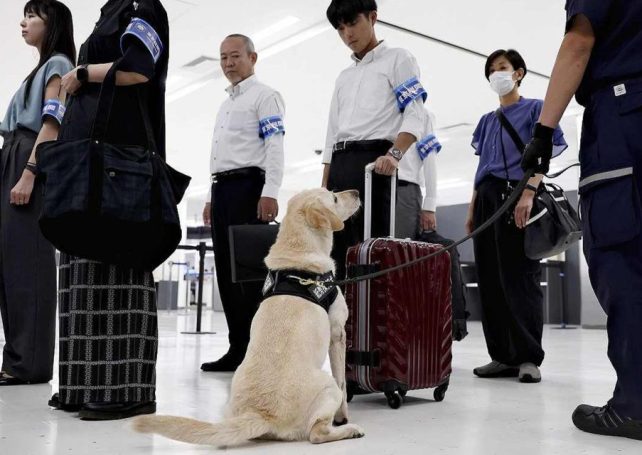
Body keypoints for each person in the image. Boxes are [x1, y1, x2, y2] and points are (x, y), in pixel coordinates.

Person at [521, 1, 642, 440]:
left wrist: (543, 132)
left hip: (624, 119)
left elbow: (579, 42)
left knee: (622, 256)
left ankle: (634, 405)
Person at [49, 0, 169, 420]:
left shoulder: (144, 6)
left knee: (118, 270)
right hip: (92, 161)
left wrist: (81, 74)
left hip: (123, 161)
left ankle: (127, 389)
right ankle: (82, 383)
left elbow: (137, 68)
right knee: (85, 270)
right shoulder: (110, 10)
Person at [466, 49, 567, 384]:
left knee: (520, 277)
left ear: (519, 73)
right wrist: (472, 209)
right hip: (487, 200)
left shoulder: (536, 109)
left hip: (518, 192)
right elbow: (482, 169)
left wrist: (528, 193)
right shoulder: (485, 121)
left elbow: (545, 153)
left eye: (503, 68)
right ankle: (502, 356)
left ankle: (527, 357)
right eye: (492, 69)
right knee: (491, 279)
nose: (497, 74)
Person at [323, 0, 428, 281]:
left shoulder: (398, 58)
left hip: (374, 163)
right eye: (341, 28)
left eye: (353, 23)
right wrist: (325, 183)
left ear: (372, 18)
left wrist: (394, 155)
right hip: (341, 162)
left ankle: (372, 320)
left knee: (371, 249)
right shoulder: (344, 77)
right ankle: (342, 322)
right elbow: (332, 133)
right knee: (338, 249)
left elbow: (415, 112)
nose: (347, 34)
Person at [0, 0, 75, 386]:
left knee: (27, 261)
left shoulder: (58, 65)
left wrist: (29, 172)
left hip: (29, 158)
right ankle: (16, 358)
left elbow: (52, 125)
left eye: (32, 15)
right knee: (10, 262)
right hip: (12, 154)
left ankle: (29, 364)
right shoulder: (40, 68)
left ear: (54, 22)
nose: (24, 22)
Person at [201, 34, 285, 372]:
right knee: (226, 273)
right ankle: (238, 348)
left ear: (253, 57)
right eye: (222, 58)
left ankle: (260, 352)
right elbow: (219, 155)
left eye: (234, 56)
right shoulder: (226, 103)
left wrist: (271, 191)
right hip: (223, 191)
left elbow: (275, 146)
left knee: (249, 276)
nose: (227, 63)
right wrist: (210, 196)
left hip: (249, 188)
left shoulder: (265, 97)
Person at [395, 109, 439, 239]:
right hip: (374, 188)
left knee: (402, 250)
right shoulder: (378, 111)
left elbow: (430, 159)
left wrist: (430, 205)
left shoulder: (422, 115)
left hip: (404, 190)